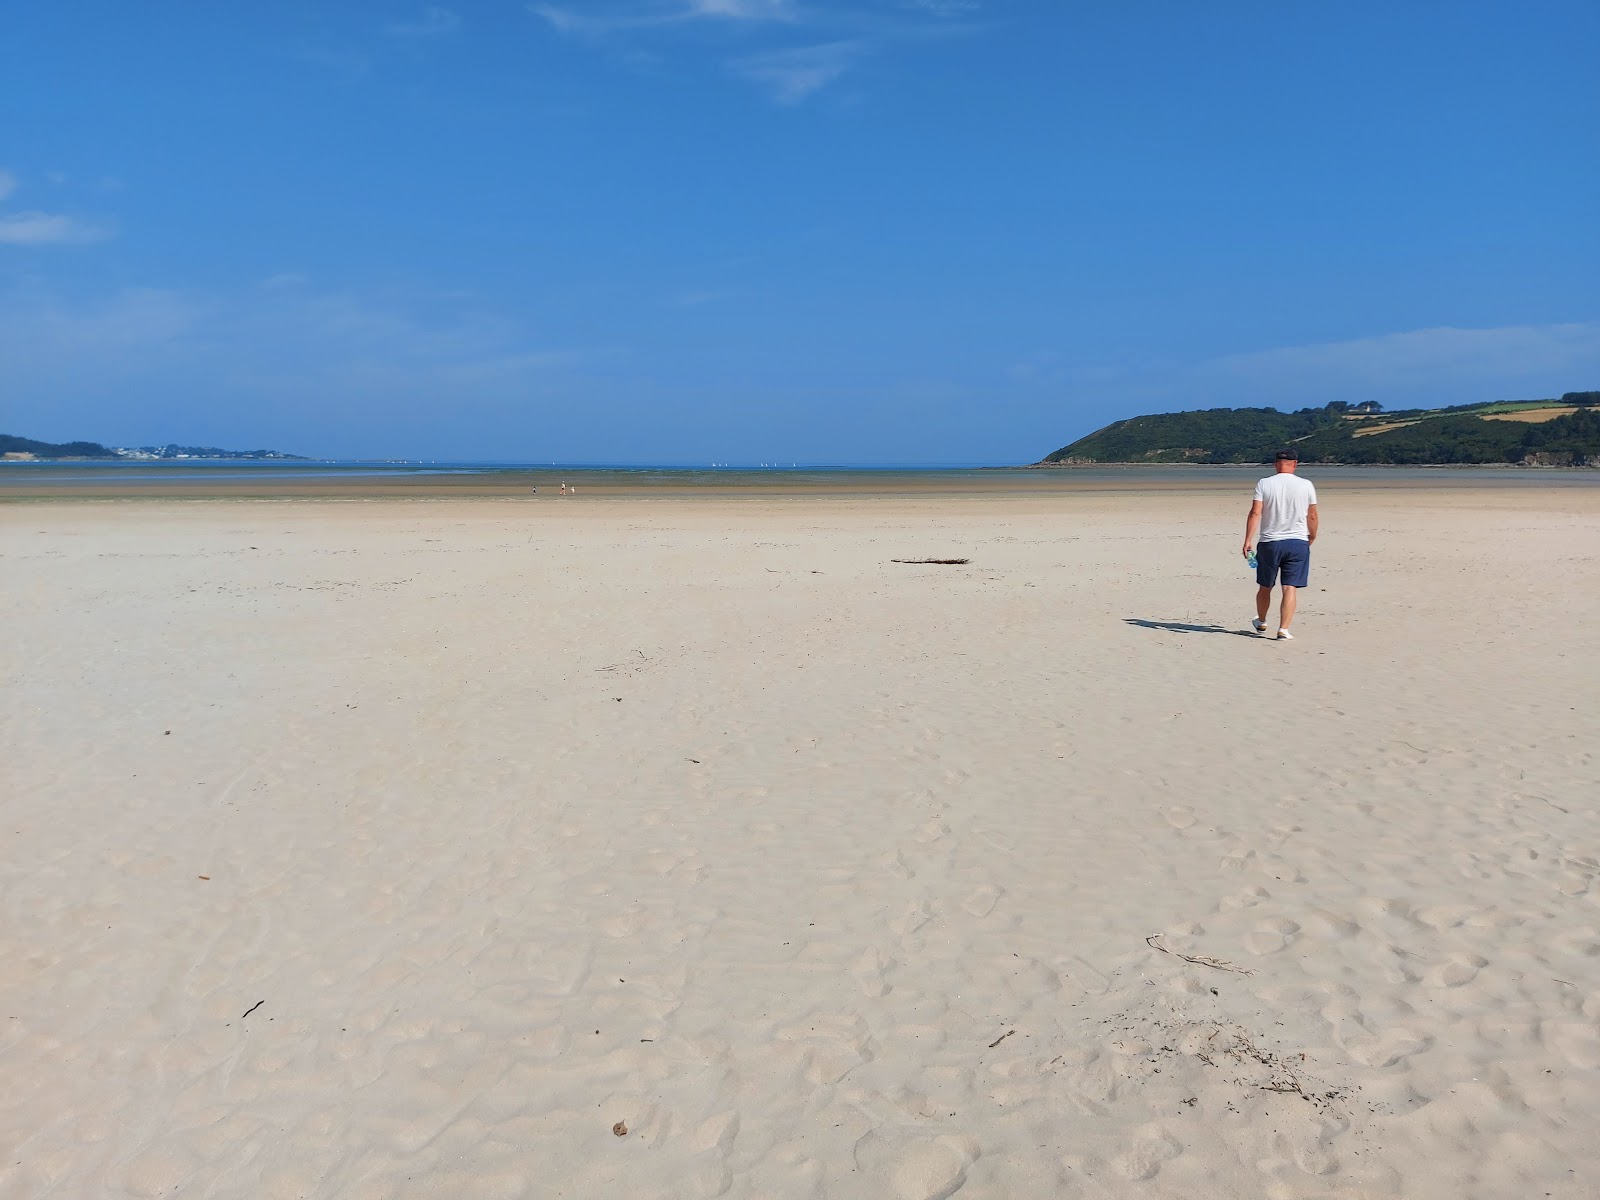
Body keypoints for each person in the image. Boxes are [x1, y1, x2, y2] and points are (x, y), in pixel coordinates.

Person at [1242, 449, 1318, 640]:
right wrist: (1312, 536)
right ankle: (1283, 629)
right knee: (1289, 587)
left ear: (1276, 464)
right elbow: (1313, 515)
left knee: (1265, 586)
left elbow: (1255, 513)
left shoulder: (1264, 483)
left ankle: (1261, 620)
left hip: (1270, 542)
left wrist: (1248, 540)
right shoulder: (1306, 485)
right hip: (1297, 542)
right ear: (1295, 464)